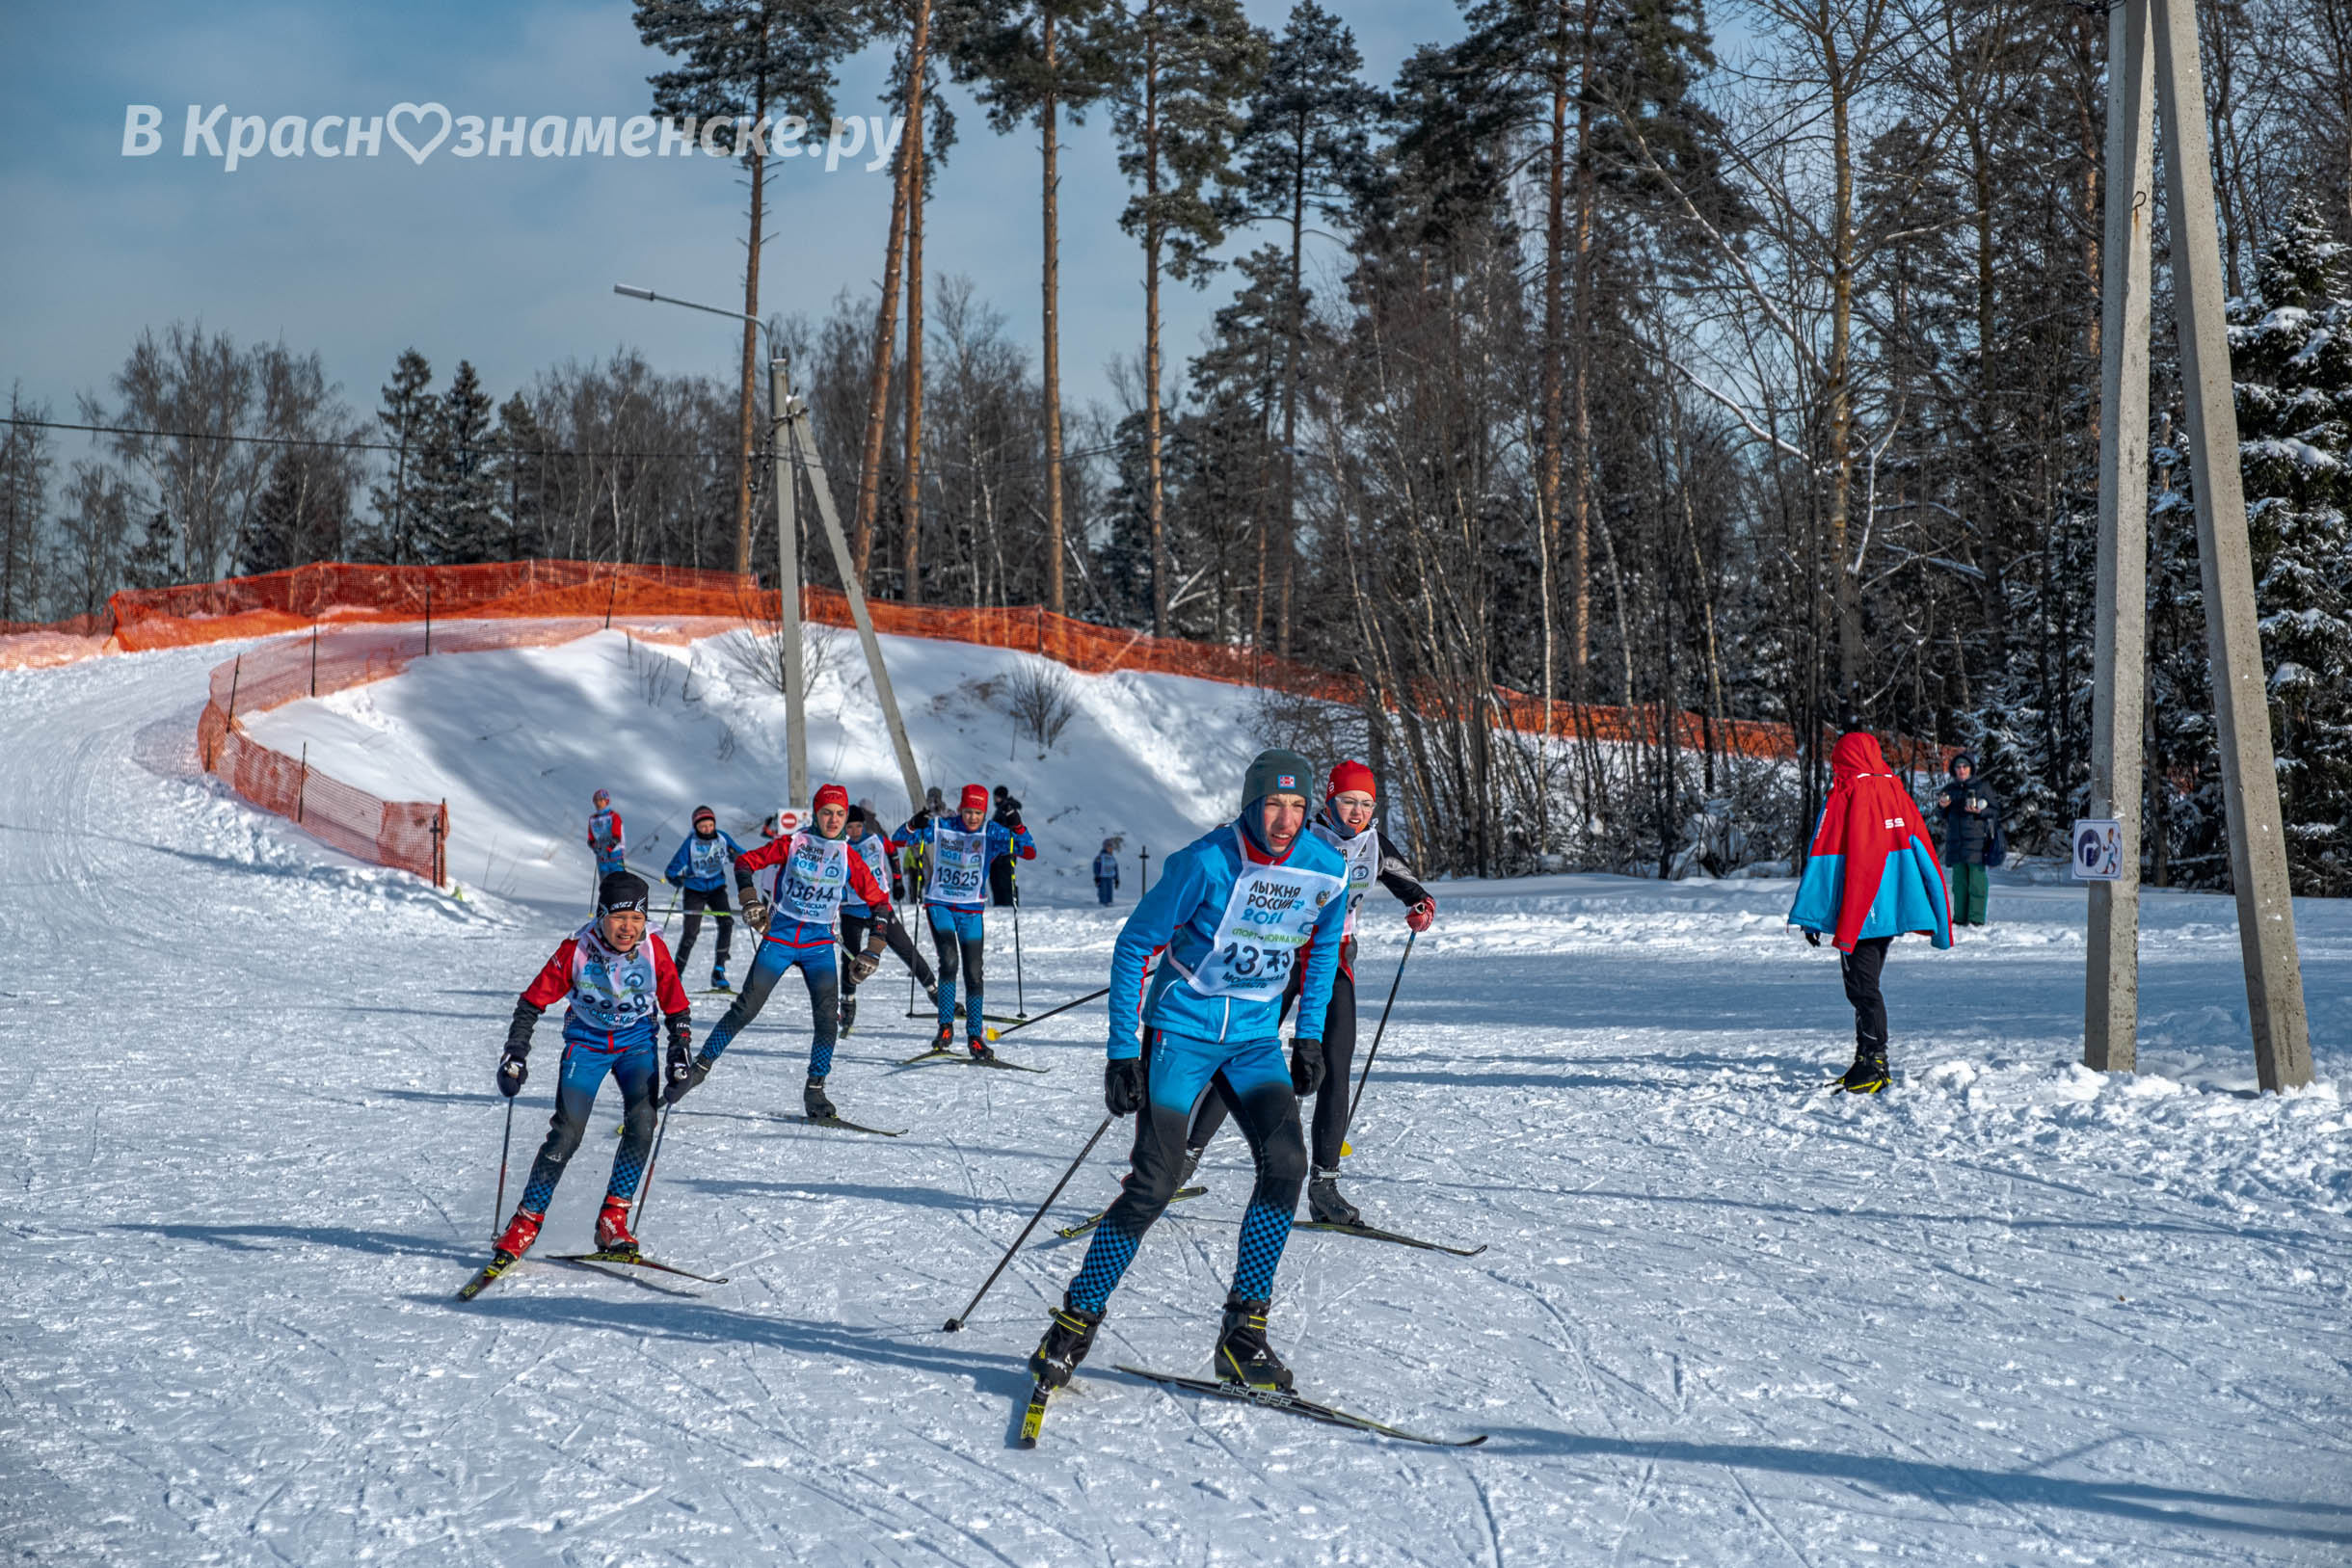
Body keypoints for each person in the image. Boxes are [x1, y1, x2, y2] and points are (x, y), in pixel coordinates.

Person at [1028, 748, 1350, 1396]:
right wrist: (1122, 1051)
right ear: (1251, 803)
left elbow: (1320, 954)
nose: (1285, 820)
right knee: (1154, 1183)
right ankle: (1072, 1325)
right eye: (1273, 804)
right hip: (1180, 1032)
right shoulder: (1204, 862)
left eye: (1297, 805)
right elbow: (1134, 946)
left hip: (1254, 1040)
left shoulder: (1325, 867)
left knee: (1287, 1164)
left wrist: (1310, 1037)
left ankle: (1243, 1335)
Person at [1181, 759, 1434, 1227]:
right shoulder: (1301, 834)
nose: (1357, 812)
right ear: (1329, 801)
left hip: (1332, 961)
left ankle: (1324, 1186)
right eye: (1347, 801)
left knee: (1335, 1065)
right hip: (1278, 956)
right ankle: (1184, 1157)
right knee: (1239, 1054)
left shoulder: (1374, 845)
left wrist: (1421, 905)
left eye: (1366, 804)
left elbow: (1410, 886)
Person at [488, 870, 692, 1263]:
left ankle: (613, 1218)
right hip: (587, 1044)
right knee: (566, 1134)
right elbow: (531, 1003)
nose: (628, 927)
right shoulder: (576, 950)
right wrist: (515, 1052)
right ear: (601, 916)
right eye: (619, 918)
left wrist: (679, 1053)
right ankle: (526, 1221)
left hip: (636, 1044)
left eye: (636, 918)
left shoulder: (654, 949)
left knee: (643, 1121)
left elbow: (677, 1008)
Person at [667, 784, 895, 1122]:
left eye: (840, 814)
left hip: (818, 945)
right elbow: (745, 862)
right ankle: (698, 1069)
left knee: (827, 1019)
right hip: (781, 938)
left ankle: (815, 1089)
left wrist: (873, 949)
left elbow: (880, 903)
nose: (833, 820)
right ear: (816, 814)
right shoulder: (794, 843)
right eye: (827, 813)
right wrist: (749, 899)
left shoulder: (850, 857)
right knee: (745, 1009)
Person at [1789, 728, 1953, 1093]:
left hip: (1861, 911)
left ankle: (1875, 1063)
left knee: (1862, 989)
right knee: (1866, 986)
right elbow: (1925, 851)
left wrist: (1818, 916)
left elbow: (1828, 859)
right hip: (1888, 910)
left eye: (1837, 762)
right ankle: (1866, 1059)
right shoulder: (1896, 792)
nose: (1835, 769)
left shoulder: (1848, 794)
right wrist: (1939, 916)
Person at [894, 784, 1036, 1058]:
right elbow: (899, 840)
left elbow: (1029, 851)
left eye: (978, 812)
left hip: (971, 909)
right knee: (949, 962)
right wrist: (913, 824)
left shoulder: (991, 831)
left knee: (974, 973)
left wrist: (1017, 825)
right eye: (968, 811)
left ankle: (975, 1037)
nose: (973, 817)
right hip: (940, 905)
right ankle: (945, 1027)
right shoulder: (943, 826)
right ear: (961, 809)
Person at [837, 804, 940, 1036]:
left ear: (864, 825)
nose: (854, 831)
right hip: (852, 909)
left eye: (858, 826)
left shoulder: (876, 840)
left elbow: (893, 852)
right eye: (850, 827)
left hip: (880, 907)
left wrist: (898, 880)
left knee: (906, 950)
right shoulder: (841, 848)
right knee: (850, 958)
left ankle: (935, 992)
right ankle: (848, 1004)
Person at [663, 806, 746, 993]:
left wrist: (737, 857)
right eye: (702, 826)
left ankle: (719, 970)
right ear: (696, 827)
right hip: (695, 890)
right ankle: (676, 973)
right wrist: (675, 879)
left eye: (710, 825)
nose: (707, 829)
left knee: (726, 923)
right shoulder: (690, 843)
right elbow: (671, 870)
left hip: (717, 888)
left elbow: (743, 855)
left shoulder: (722, 838)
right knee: (691, 933)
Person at [1934, 752, 2002, 928]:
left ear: (1971, 769)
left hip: (1976, 843)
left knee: (1977, 883)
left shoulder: (1982, 787)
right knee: (1959, 885)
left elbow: (1995, 811)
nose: (1962, 770)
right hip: (1955, 843)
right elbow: (1940, 814)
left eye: (1965, 766)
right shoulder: (1949, 789)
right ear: (1954, 770)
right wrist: (1941, 806)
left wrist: (1981, 811)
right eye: (1958, 767)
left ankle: (1976, 919)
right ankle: (1959, 919)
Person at [989, 785, 1025, 907]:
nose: (995, 799)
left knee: (1005, 880)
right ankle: (1001, 904)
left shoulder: (1007, 809)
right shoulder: (1001, 809)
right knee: (997, 879)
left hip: (1005, 852)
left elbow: (1011, 829)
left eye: (997, 797)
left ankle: (1008, 905)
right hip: (999, 851)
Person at [1093, 839, 1121, 906]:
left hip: (1110, 878)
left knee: (1109, 893)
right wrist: (1097, 877)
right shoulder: (1100, 857)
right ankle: (1102, 905)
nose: (1111, 849)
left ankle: (1109, 904)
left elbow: (1115, 868)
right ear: (1105, 847)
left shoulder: (1112, 858)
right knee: (1103, 893)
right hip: (1102, 878)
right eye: (1109, 847)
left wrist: (1116, 879)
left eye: (1111, 847)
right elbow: (1096, 867)